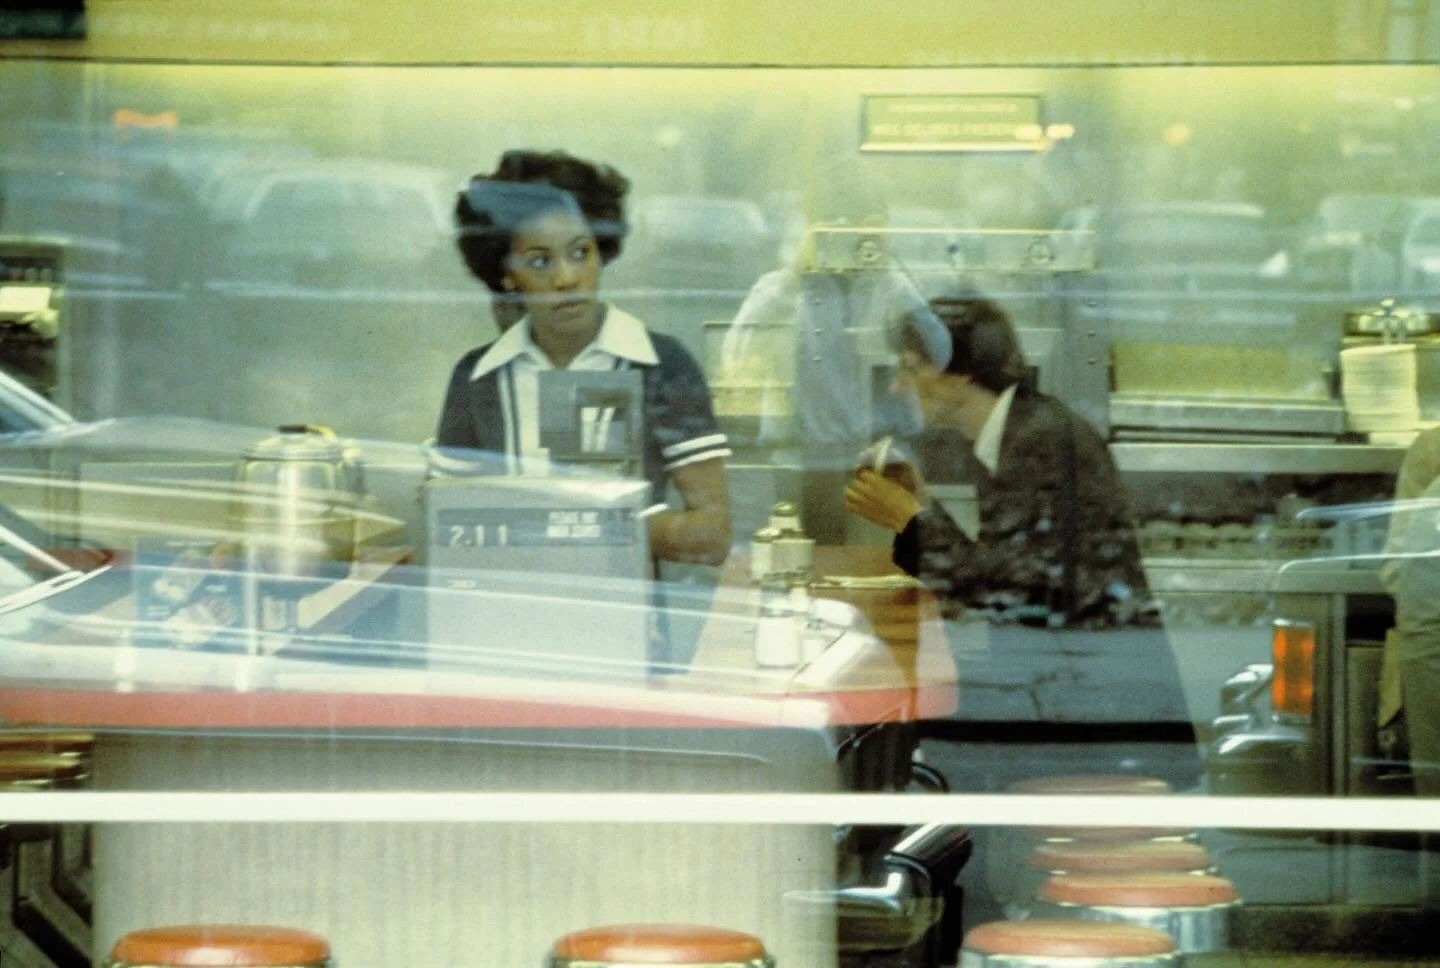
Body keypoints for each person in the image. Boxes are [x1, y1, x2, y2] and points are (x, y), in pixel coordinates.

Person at [844, 296, 1198, 786]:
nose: (897, 386)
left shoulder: (1043, 441)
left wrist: (912, 519)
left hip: (1102, 727)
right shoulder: (1015, 432)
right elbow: (1001, 567)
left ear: (958, 372)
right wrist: (921, 505)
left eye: (909, 368)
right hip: (1082, 700)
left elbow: (1005, 591)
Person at [436, 149, 732, 565]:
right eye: (540, 261)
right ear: (506, 274)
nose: (567, 278)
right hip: (508, 616)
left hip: (628, 620)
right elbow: (448, 528)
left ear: (602, 249)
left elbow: (711, 535)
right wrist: (580, 525)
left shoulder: (660, 364)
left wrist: (557, 527)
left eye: (580, 252)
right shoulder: (478, 378)